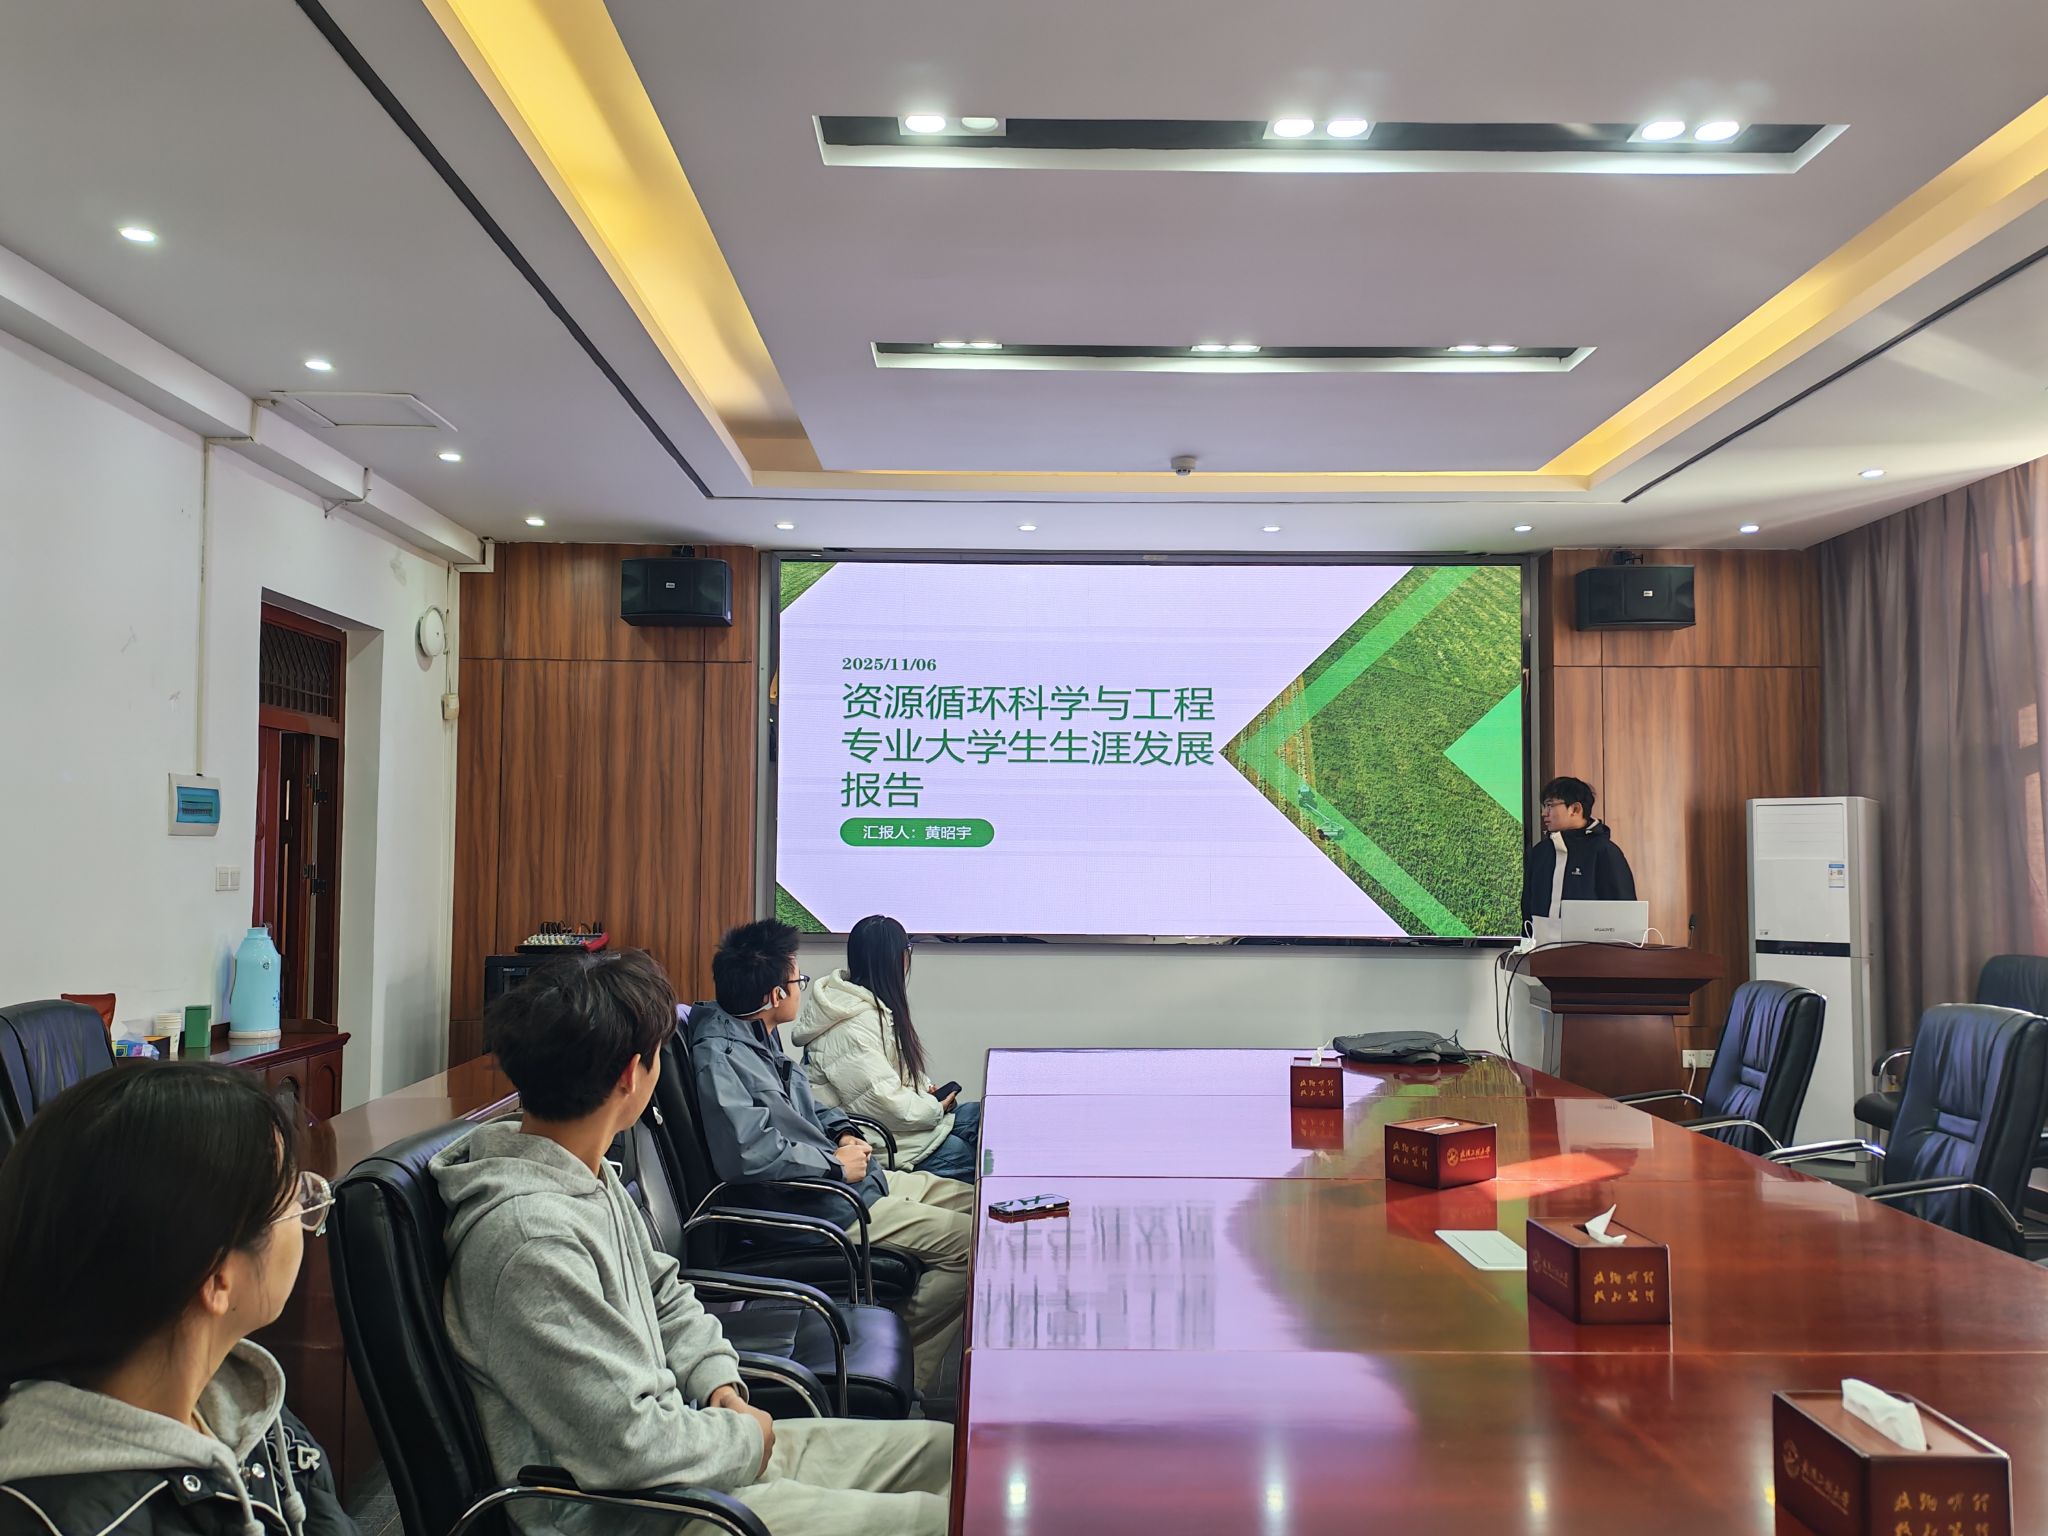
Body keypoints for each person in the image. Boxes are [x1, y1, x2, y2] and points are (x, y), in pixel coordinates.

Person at [434, 947, 949, 1536]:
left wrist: (716, 1380)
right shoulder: (531, 1240)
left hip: (688, 1455)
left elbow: (663, 1290)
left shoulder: (584, 1173)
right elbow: (627, 1445)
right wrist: (740, 1437)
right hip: (641, 1514)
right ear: (633, 1075)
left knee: (946, 1455)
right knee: (946, 1520)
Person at [0, 1064, 353, 1536]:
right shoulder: (56, 1520)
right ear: (216, 1277)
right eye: (292, 1198)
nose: (307, 1212)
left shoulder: (242, 1401)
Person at [689, 920, 974, 1398]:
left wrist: (844, 1131)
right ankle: (906, 1375)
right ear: (776, 994)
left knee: (980, 1207)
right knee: (971, 1244)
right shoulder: (720, 1055)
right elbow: (749, 1154)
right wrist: (834, 1166)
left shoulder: (754, 1032)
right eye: (798, 979)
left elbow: (808, 1102)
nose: (802, 987)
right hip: (818, 1206)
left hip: (847, 1182)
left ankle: (899, 1359)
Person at [791, 915, 981, 1182]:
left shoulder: (865, 1004)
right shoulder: (850, 1025)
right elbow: (884, 1102)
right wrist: (935, 1107)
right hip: (882, 1141)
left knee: (984, 1117)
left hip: (900, 1128)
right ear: (899, 959)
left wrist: (925, 1089)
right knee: (975, 1160)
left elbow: (889, 1074)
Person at [1521, 774, 1638, 925]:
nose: (1544, 813)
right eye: (1544, 806)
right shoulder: (1539, 852)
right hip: (1541, 941)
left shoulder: (1604, 851)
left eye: (1550, 805)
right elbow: (1527, 907)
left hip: (1589, 941)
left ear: (1575, 809)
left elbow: (1624, 911)